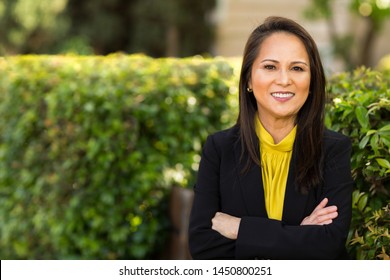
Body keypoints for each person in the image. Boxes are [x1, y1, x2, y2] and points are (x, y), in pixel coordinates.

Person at [188, 16, 353, 259]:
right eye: (270, 67)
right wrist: (299, 235)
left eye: (297, 68)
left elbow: (329, 244)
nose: (284, 80)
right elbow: (203, 247)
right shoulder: (219, 149)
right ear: (248, 80)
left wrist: (240, 228)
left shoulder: (333, 149)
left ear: (313, 81)